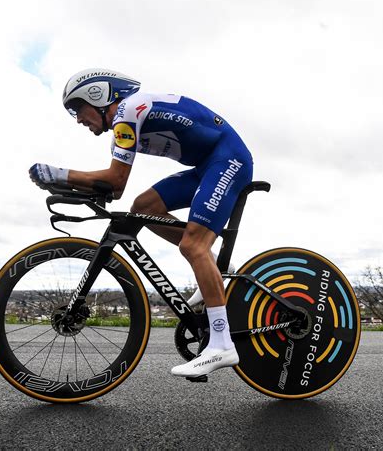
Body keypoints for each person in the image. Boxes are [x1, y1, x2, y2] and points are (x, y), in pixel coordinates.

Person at [29, 68, 253, 378]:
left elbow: (114, 178)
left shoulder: (128, 111)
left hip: (229, 159)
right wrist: (66, 187)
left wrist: (60, 175)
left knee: (193, 245)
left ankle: (221, 344)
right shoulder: (123, 128)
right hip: (206, 166)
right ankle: (210, 269)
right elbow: (116, 189)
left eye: (79, 110)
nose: (80, 120)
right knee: (144, 207)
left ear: (98, 96)